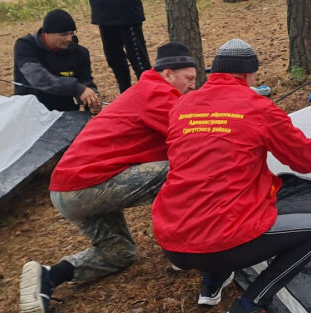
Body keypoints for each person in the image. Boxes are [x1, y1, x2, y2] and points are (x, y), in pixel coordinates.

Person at [153, 39, 311, 313]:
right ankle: (251, 304)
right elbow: (307, 161)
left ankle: (211, 285)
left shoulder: (183, 105)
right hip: (221, 241)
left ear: (213, 73)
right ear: (248, 74)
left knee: (216, 207)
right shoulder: (258, 107)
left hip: (173, 240)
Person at [18, 42, 198, 313]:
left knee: (119, 253)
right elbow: (195, 138)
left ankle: (49, 277)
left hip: (70, 187)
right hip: (85, 184)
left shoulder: (147, 91)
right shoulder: (157, 93)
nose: (193, 86)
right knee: (182, 170)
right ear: (168, 74)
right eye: (189, 79)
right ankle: (184, 247)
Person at [13, 9, 100, 113]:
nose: (69, 39)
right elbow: (38, 78)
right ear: (47, 33)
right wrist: (77, 89)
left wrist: (91, 102)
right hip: (30, 110)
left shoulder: (80, 53)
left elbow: (86, 81)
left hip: (64, 112)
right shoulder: (25, 46)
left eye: (71, 33)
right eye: (63, 34)